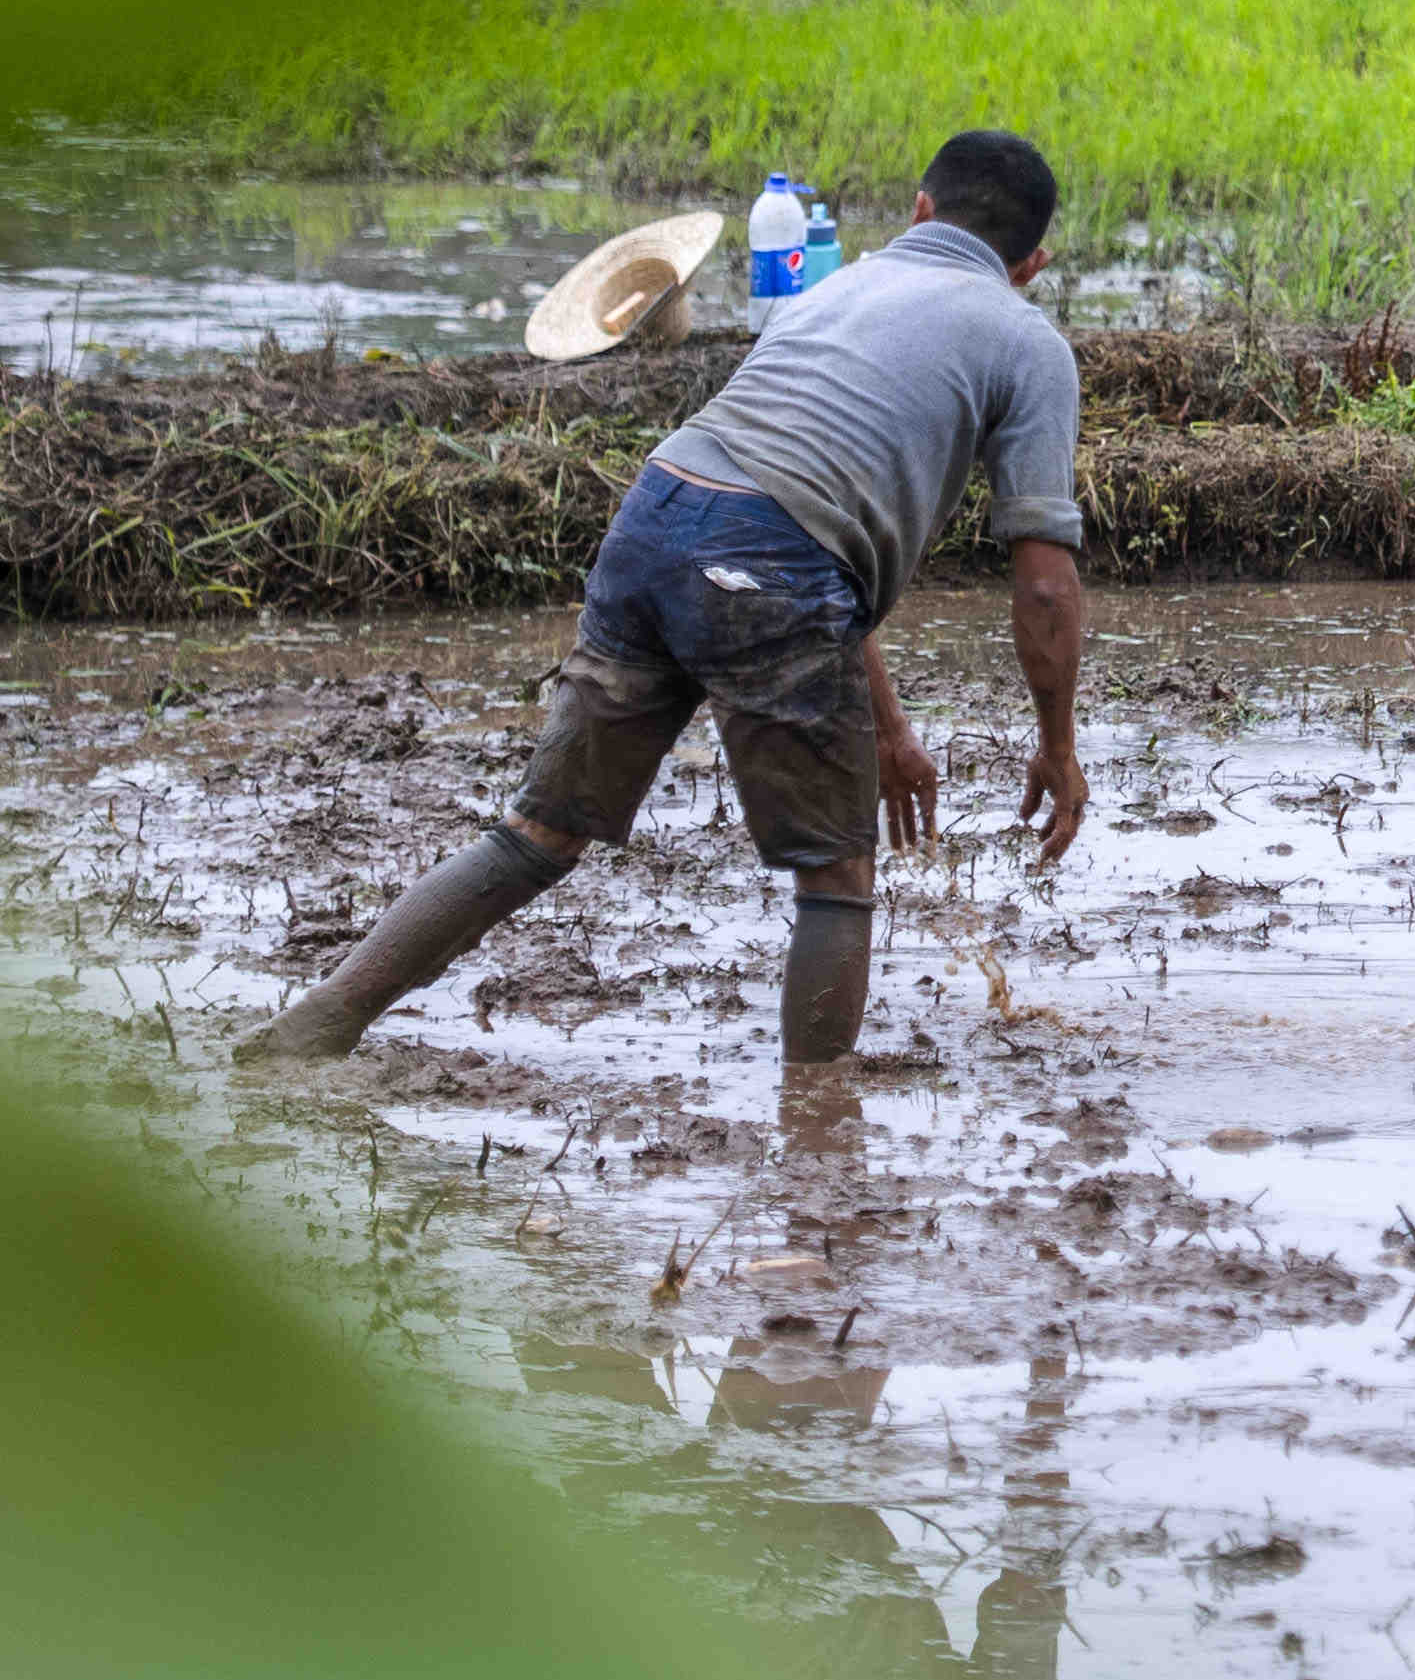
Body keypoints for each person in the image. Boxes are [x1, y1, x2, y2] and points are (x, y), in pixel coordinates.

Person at [240, 130, 1092, 1069]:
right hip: (773, 560)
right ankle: (819, 1130)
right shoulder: (1028, 343)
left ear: (920, 210)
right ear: (1033, 265)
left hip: (657, 512)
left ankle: (316, 1023)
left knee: (537, 834)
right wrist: (1057, 747)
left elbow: (800, 508)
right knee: (837, 878)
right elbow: (1043, 586)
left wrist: (888, 730)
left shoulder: (830, 290)